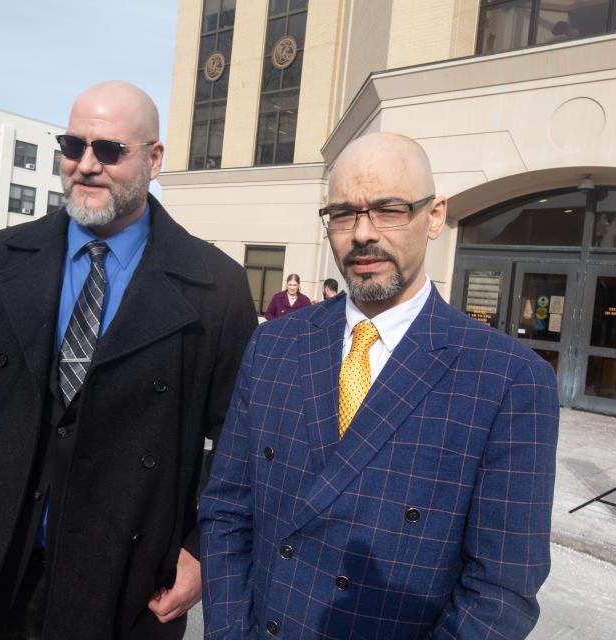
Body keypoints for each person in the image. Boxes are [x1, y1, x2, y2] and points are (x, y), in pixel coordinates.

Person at [0, 81, 258, 640]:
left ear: (154, 159)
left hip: (122, 575)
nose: (86, 165)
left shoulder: (216, 286)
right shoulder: (0, 259)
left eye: (109, 150)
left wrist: (201, 551)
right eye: (72, 146)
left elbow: (241, 444)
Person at [199, 132, 559, 639]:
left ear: (434, 217)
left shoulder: (508, 378)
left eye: (389, 209)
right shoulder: (274, 346)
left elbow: (501, 590)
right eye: (343, 213)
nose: (362, 233)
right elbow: (226, 511)